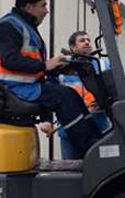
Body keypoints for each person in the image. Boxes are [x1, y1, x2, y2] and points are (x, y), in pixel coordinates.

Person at [0, 0, 100, 159]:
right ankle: (93, 151)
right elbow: (10, 60)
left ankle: (97, 143)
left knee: (69, 94)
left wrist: (61, 67)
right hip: (12, 88)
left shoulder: (23, 25)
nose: (46, 11)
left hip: (23, 84)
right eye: (43, 6)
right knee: (65, 98)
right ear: (29, 7)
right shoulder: (8, 26)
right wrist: (45, 66)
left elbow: (32, 63)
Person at [40, 30, 111, 159]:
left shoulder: (103, 65)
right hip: (70, 132)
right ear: (72, 47)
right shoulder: (60, 69)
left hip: (99, 128)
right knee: (71, 169)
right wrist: (46, 120)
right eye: (82, 41)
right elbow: (48, 96)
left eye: (88, 40)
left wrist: (103, 103)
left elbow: (112, 92)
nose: (87, 43)